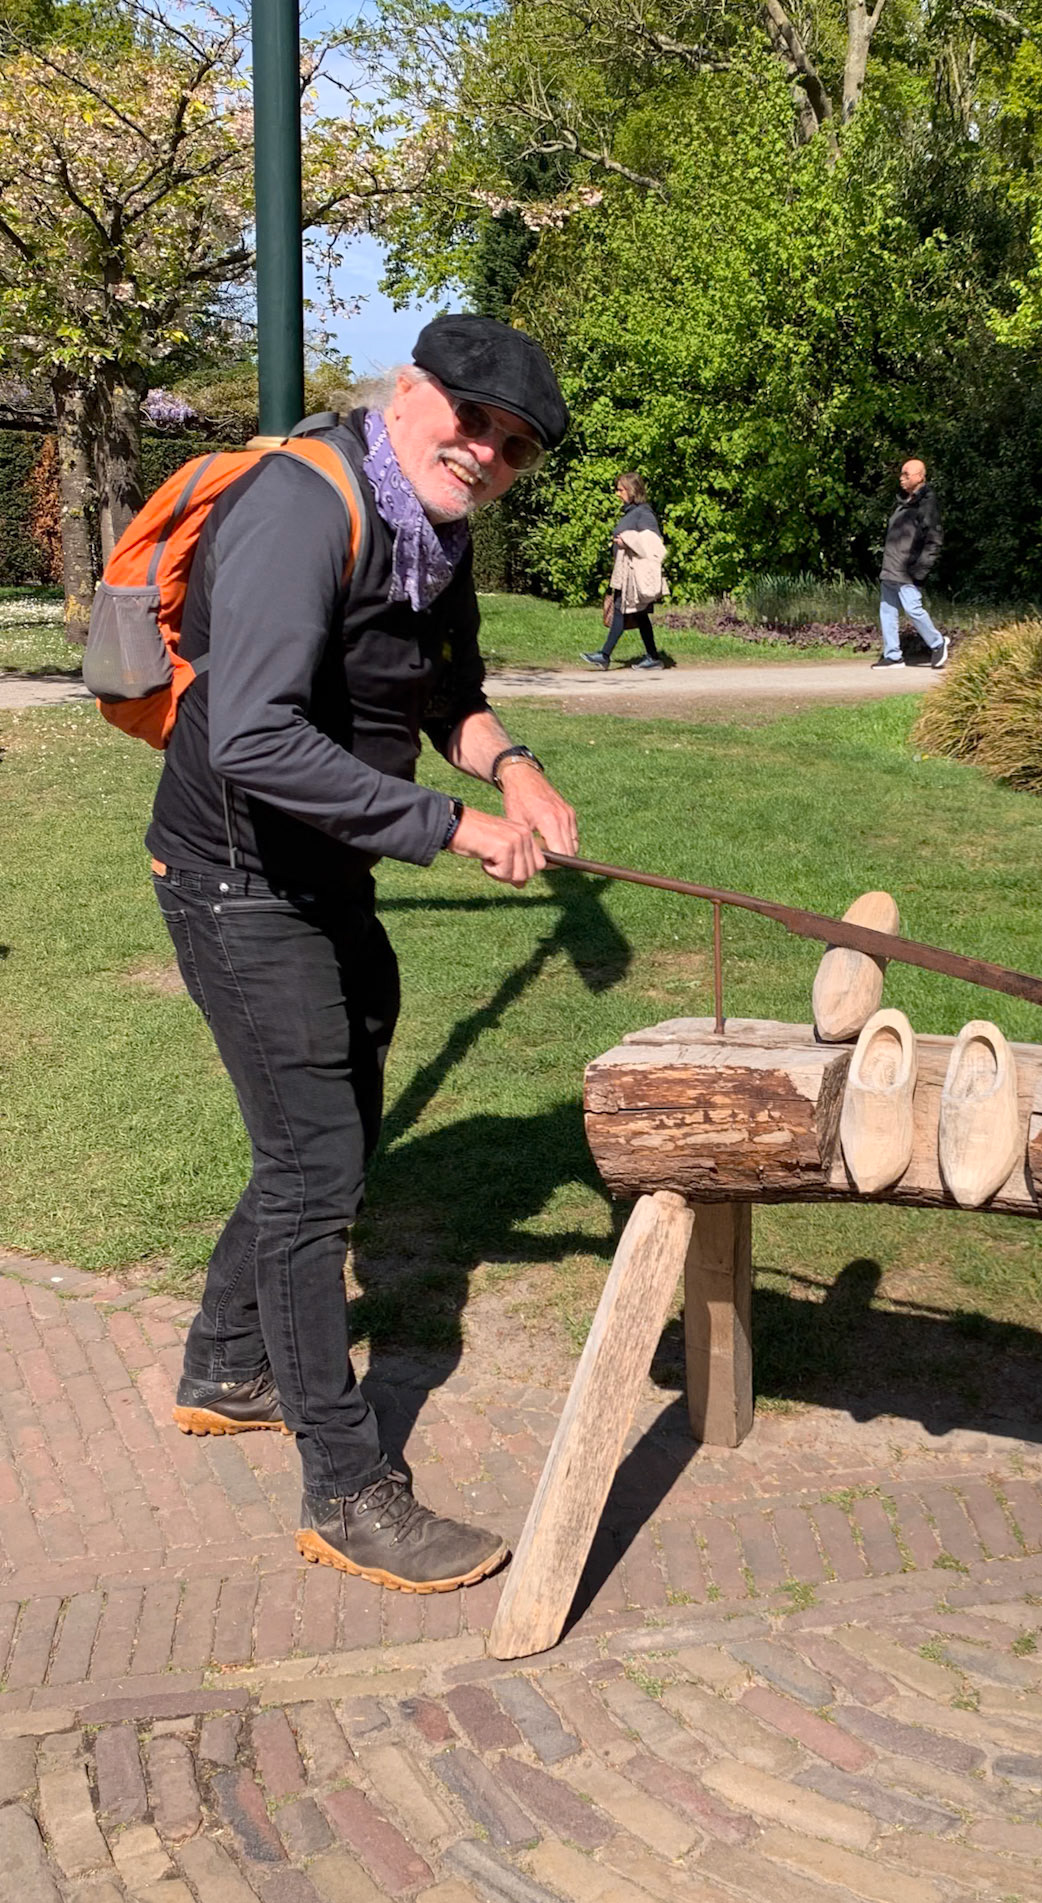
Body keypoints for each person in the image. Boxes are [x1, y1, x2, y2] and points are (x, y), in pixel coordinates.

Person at [149, 314, 579, 1594]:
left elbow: (446, 695)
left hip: (327, 871)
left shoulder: (436, 534)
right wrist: (451, 826)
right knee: (312, 1170)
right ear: (409, 392)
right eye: (472, 419)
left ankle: (227, 1362)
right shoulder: (303, 506)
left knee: (338, 1117)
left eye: (513, 447)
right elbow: (253, 737)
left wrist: (514, 767)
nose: (486, 452)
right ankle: (345, 1487)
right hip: (234, 877)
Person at [581, 473, 668, 672]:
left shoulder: (643, 514)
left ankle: (605, 655)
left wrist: (627, 541)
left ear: (632, 491)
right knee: (638, 615)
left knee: (622, 610)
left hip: (635, 575)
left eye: (621, 490)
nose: (617, 493)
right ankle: (652, 657)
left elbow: (653, 543)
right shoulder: (631, 513)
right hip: (625, 573)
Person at [873, 457, 948, 671]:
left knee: (913, 610)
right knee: (887, 611)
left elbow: (934, 540)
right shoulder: (903, 503)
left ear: (920, 477)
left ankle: (938, 643)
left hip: (908, 570)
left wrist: (920, 570)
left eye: (906, 474)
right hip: (891, 568)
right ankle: (893, 656)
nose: (901, 478)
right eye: (901, 474)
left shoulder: (927, 504)